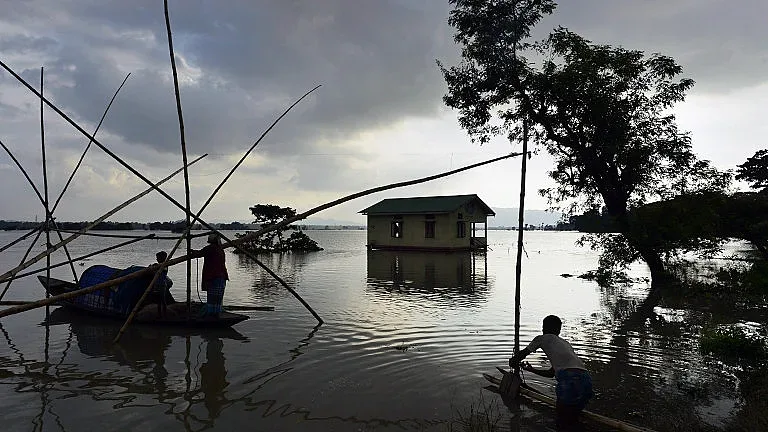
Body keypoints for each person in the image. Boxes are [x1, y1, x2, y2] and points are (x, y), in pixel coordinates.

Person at [509, 315, 593, 431]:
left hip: (569, 381)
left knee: (562, 422)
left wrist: (513, 361)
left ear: (543, 328)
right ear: (559, 330)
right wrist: (531, 369)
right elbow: (551, 373)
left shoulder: (541, 338)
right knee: (573, 419)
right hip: (587, 381)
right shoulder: (566, 344)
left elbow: (522, 354)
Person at [191, 233, 229, 317]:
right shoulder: (220, 249)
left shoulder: (210, 248)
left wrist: (193, 252)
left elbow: (199, 254)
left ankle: (212, 315)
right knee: (217, 298)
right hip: (221, 276)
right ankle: (216, 313)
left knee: (212, 298)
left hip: (214, 276)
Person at [148, 251, 175, 315]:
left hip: (162, 284)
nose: (157, 259)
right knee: (158, 301)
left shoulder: (165, 265)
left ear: (162, 258)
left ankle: (164, 313)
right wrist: (152, 267)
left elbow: (161, 269)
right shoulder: (159, 265)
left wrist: (155, 267)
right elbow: (155, 271)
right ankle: (159, 313)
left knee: (162, 300)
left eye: (158, 258)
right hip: (157, 284)